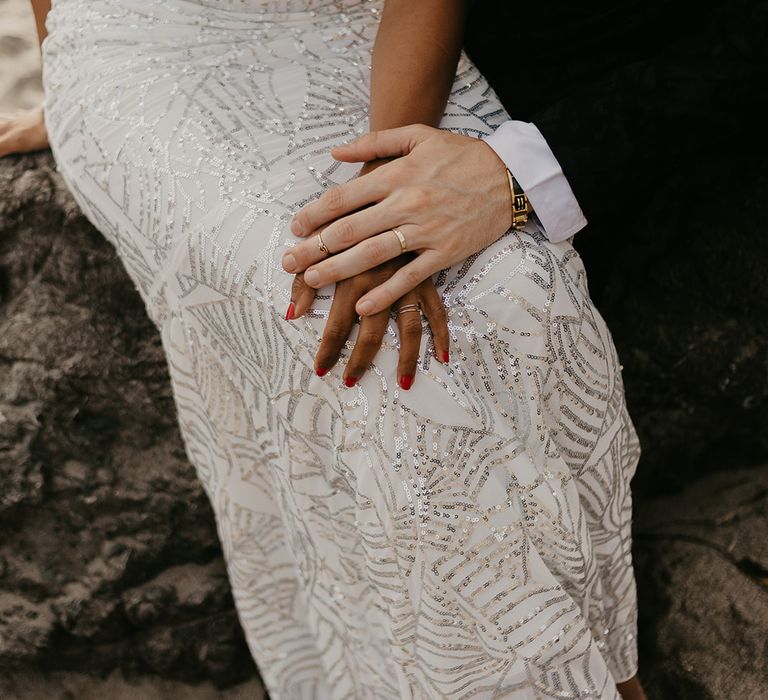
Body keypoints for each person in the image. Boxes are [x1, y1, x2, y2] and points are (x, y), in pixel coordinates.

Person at [1, 1, 647, 698]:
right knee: (380, 351)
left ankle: (598, 671)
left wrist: (379, 192)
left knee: (518, 287)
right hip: (144, 43)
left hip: (361, 30)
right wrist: (69, 75)